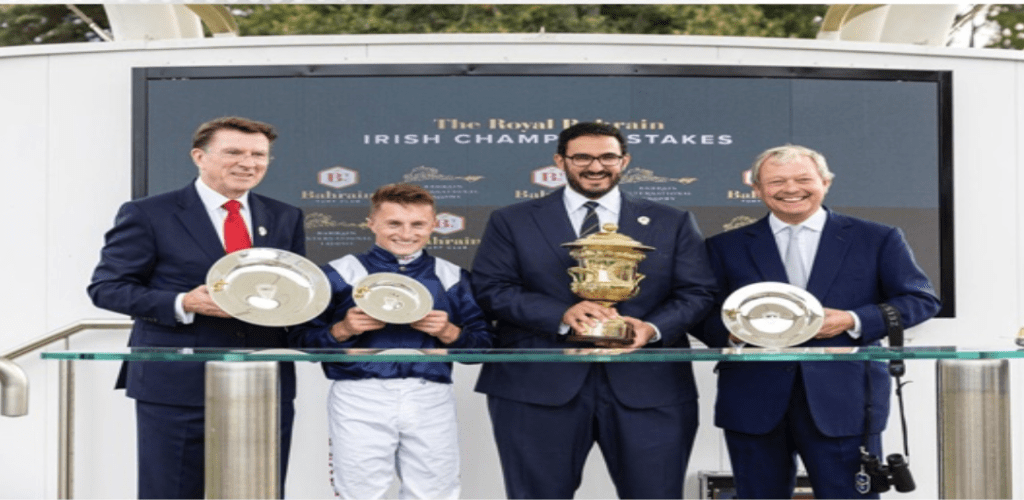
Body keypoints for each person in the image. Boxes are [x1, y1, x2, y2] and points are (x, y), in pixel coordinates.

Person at [471, 122, 718, 499]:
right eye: (582, 157)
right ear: (560, 160)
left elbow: (698, 292)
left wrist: (651, 328)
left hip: (649, 385)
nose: (595, 166)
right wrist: (562, 314)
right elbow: (492, 289)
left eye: (607, 157)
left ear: (625, 161)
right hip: (537, 385)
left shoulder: (672, 221)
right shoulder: (512, 220)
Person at [698, 145, 941, 499]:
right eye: (777, 181)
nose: (790, 188)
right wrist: (733, 335)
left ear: (825, 182)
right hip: (753, 401)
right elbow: (702, 311)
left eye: (803, 179)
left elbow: (921, 299)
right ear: (756, 189)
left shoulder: (877, 238)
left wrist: (852, 319)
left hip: (846, 400)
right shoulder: (724, 246)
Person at [88, 116, 305, 499]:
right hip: (176, 383)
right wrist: (182, 303)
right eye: (233, 152)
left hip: (263, 381)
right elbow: (107, 288)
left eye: (259, 154)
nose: (248, 162)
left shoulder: (285, 216)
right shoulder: (149, 213)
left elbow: (296, 294)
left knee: (259, 491)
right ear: (199, 157)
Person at [289, 183, 491, 500]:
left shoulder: (451, 276)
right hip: (359, 393)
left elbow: (482, 347)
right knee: (358, 491)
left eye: (417, 224)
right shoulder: (340, 273)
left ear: (434, 225)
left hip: (429, 394)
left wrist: (449, 332)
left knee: (435, 491)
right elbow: (300, 340)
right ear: (372, 224)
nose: (406, 233)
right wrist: (341, 329)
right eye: (394, 223)